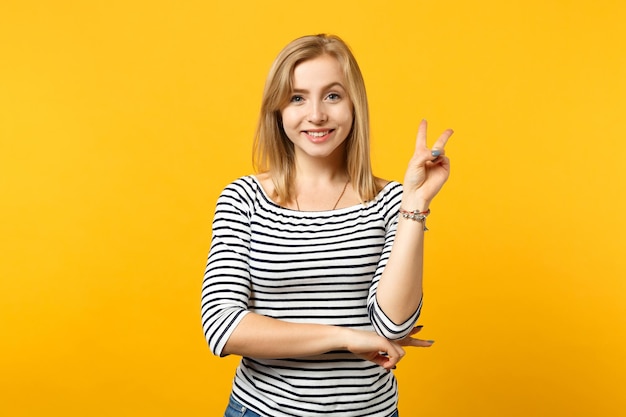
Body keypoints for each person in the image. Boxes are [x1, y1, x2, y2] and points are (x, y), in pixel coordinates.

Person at [201, 34, 453, 417]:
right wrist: (345, 337)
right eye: (297, 97)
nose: (316, 114)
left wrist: (415, 204)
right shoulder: (244, 199)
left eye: (332, 96)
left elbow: (393, 324)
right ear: (278, 110)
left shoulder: (391, 202)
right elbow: (223, 326)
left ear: (354, 106)